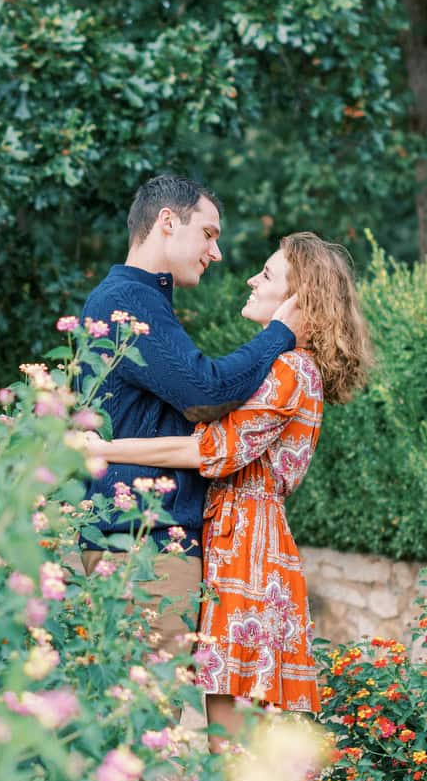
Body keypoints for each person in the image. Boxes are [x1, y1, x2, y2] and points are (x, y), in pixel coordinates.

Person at [86, 232, 374, 745]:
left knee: (233, 744)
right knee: (225, 732)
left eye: (266, 275)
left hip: (249, 551)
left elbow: (204, 451)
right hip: (236, 541)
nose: (250, 279)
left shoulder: (289, 370)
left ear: (297, 300)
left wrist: (102, 448)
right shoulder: (283, 368)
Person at [76, 173, 302, 656]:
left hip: (136, 540)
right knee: (150, 715)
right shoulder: (128, 301)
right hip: (142, 544)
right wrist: (280, 333)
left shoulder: (138, 299)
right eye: (209, 233)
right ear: (167, 221)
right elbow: (205, 390)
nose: (215, 253)